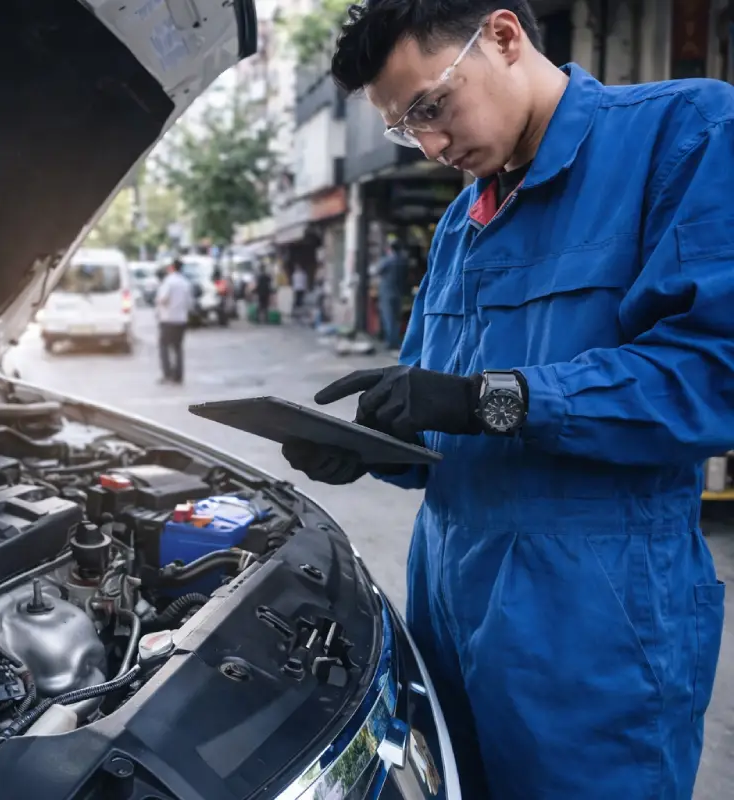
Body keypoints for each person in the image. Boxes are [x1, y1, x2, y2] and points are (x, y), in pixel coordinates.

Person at [281, 3, 730, 799]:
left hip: (595, 634)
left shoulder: (684, 134)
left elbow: (708, 376)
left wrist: (491, 398)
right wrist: (372, 450)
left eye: (430, 106)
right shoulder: (462, 223)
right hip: (448, 614)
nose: (430, 144)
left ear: (503, 36)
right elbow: (444, 417)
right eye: (405, 128)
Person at [154, 258, 191, 384]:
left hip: (168, 318)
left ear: (171, 268)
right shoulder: (185, 282)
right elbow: (189, 302)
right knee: (178, 347)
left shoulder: (169, 282)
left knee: (164, 346)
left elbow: (163, 299)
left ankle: (167, 373)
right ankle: (178, 375)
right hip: (181, 319)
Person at [370, 237, 405, 351]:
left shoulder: (388, 260)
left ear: (390, 248)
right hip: (399, 292)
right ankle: (396, 341)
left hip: (387, 293)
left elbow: (376, 270)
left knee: (388, 318)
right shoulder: (403, 260)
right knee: (396, 319)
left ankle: (391, 342)